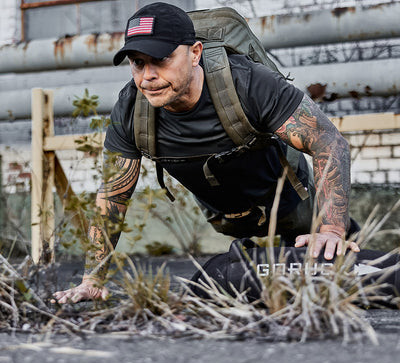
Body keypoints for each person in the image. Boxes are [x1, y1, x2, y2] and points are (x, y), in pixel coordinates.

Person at [52, 2, 360, 304]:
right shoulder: (132, 110)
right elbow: (113, 196)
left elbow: (328, 142)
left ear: (195, 52)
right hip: (228, 219)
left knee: (332, 283)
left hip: (293, 207)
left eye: (161, 59)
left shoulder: (249, 83)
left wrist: (331, 229)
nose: (148, 76)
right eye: (138, 63)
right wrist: (92, 279)